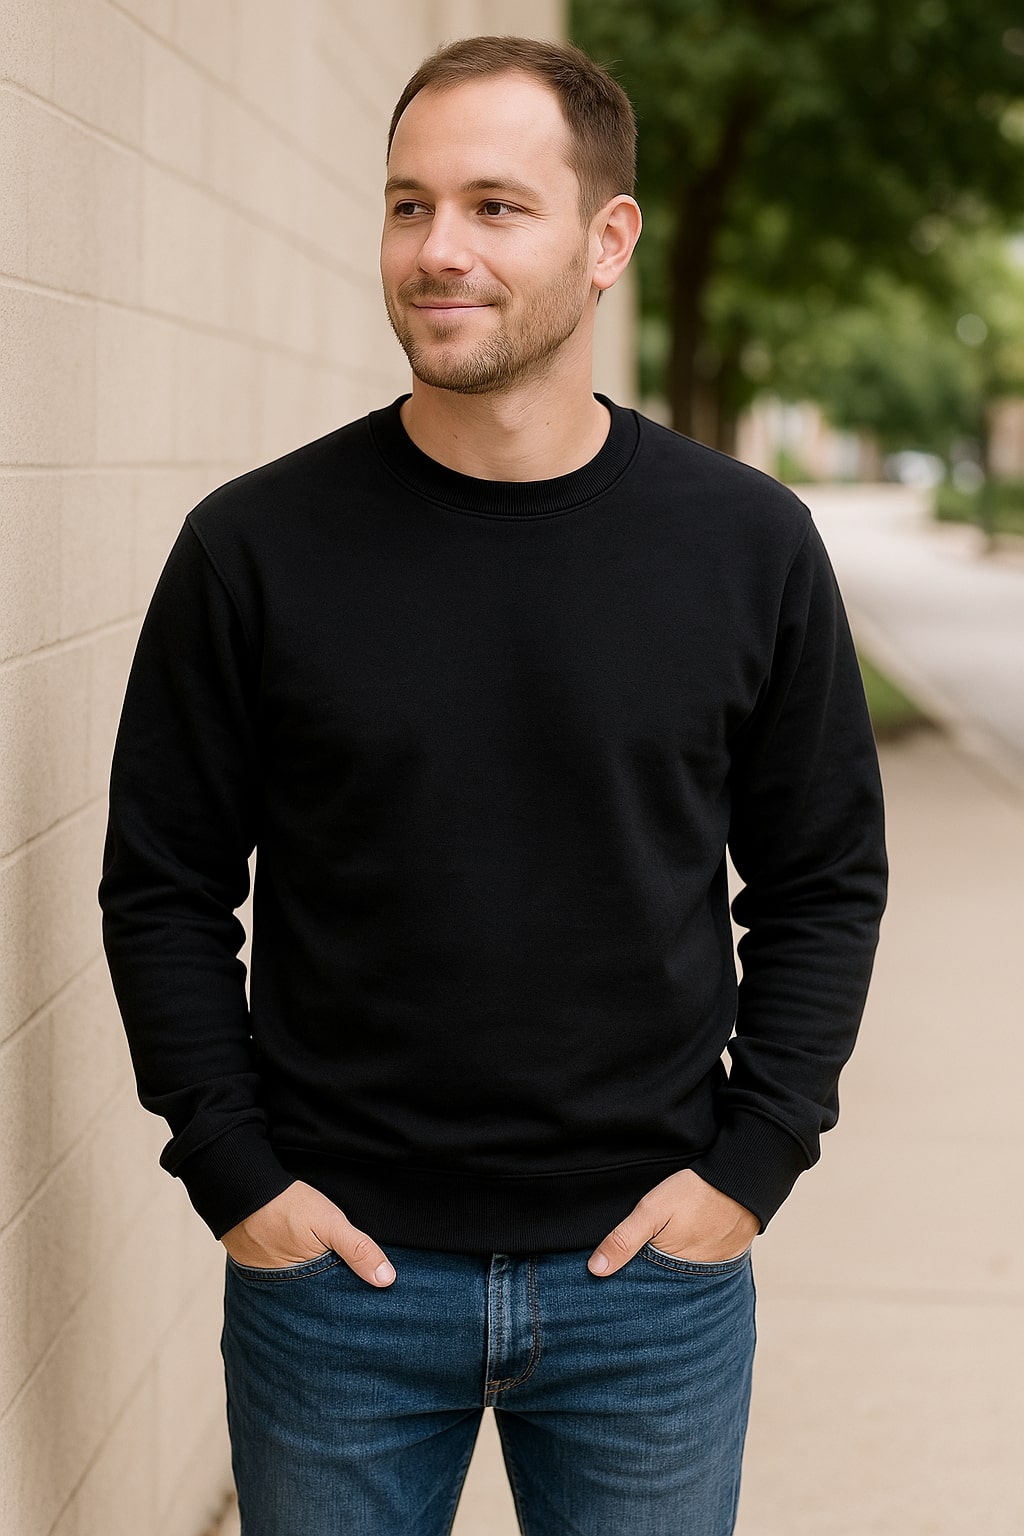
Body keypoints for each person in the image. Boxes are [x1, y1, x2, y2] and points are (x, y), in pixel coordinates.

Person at [97, 34, 887, 1536]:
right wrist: (236, 1176)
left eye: (492, 207)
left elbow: (823, 877)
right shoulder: (253, 550)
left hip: (645, 1289)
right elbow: (165, 885)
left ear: (608, 240)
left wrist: (755, 1161)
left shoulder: (748, 548)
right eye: (408, 206)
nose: (436, 250)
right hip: (337, 1288)